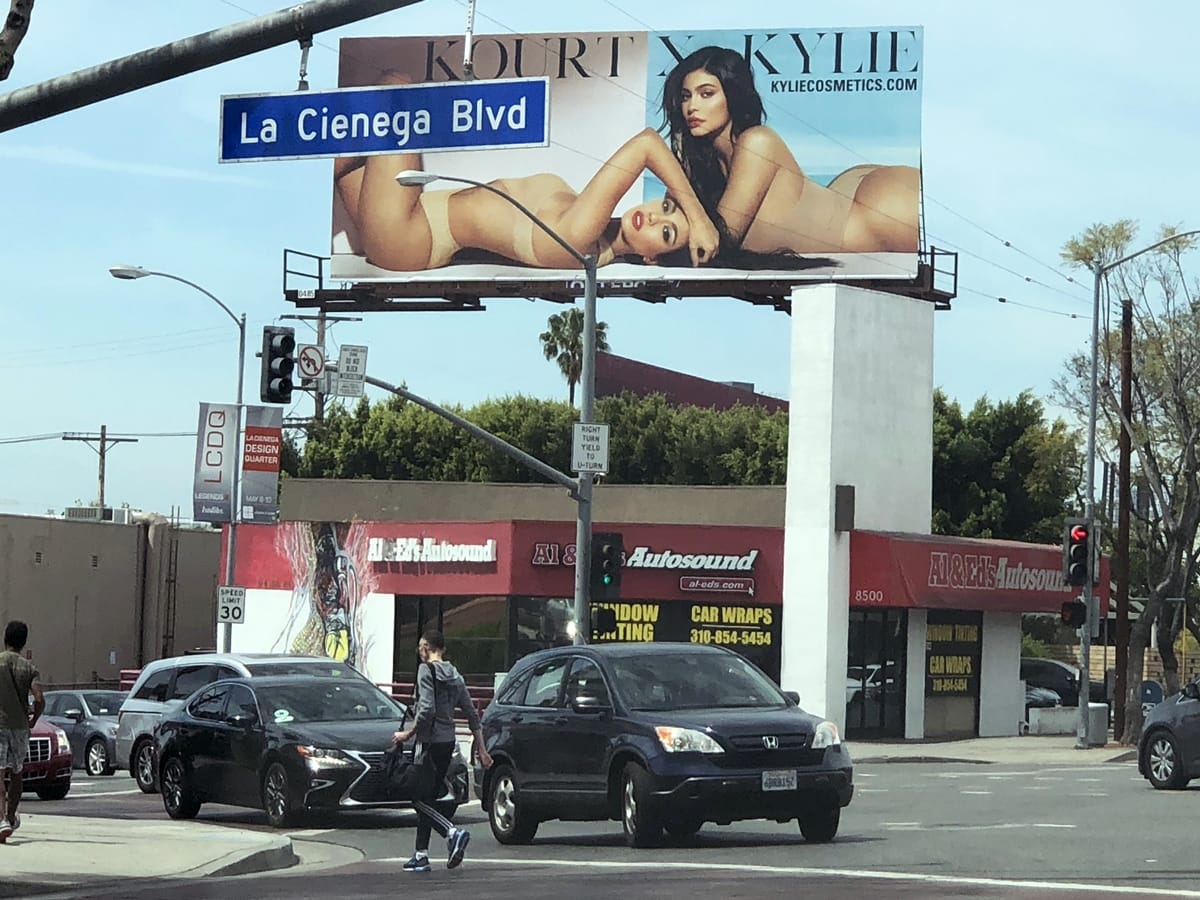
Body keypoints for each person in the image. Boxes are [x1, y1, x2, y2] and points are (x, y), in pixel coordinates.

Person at [334, 71, 720, 273]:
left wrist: (700, 221)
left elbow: (648, 143)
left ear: (652, 259)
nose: (654, 217)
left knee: (394, 88)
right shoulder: (588, 218)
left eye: (665, 233)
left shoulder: (580, 239)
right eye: (668, 208)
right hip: (409, 211)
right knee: (337, 150)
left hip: (406, 233)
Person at [660, 45, 921, 257]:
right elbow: (663, 218)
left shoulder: (757, 142)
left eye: (706, 94)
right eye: (685, 96)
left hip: (883, 211)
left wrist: (651, 149)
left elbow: (719, 242)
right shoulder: (708, 166)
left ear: (733, 96)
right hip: (841, 199)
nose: (692, 106)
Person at [391, 629, 493, 872]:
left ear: (426, 647)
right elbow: (471, 713)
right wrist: (482, 748)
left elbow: (425, 710)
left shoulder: (425, 671)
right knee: (428, 795)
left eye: (420, 646)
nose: (419, 651)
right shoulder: (455, 675)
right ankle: (421, 854)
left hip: (427, 743)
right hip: (448, 742)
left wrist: (407, 734)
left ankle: (451, 832)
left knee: (417, 796)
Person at [0, 621, 44, 843]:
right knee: (16, 773)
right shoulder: (29, 668)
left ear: (5, 638)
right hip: (19, 726)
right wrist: (33, 719)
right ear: (23, 641)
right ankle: (10, 815)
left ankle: (1, 820)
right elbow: (38, 699)